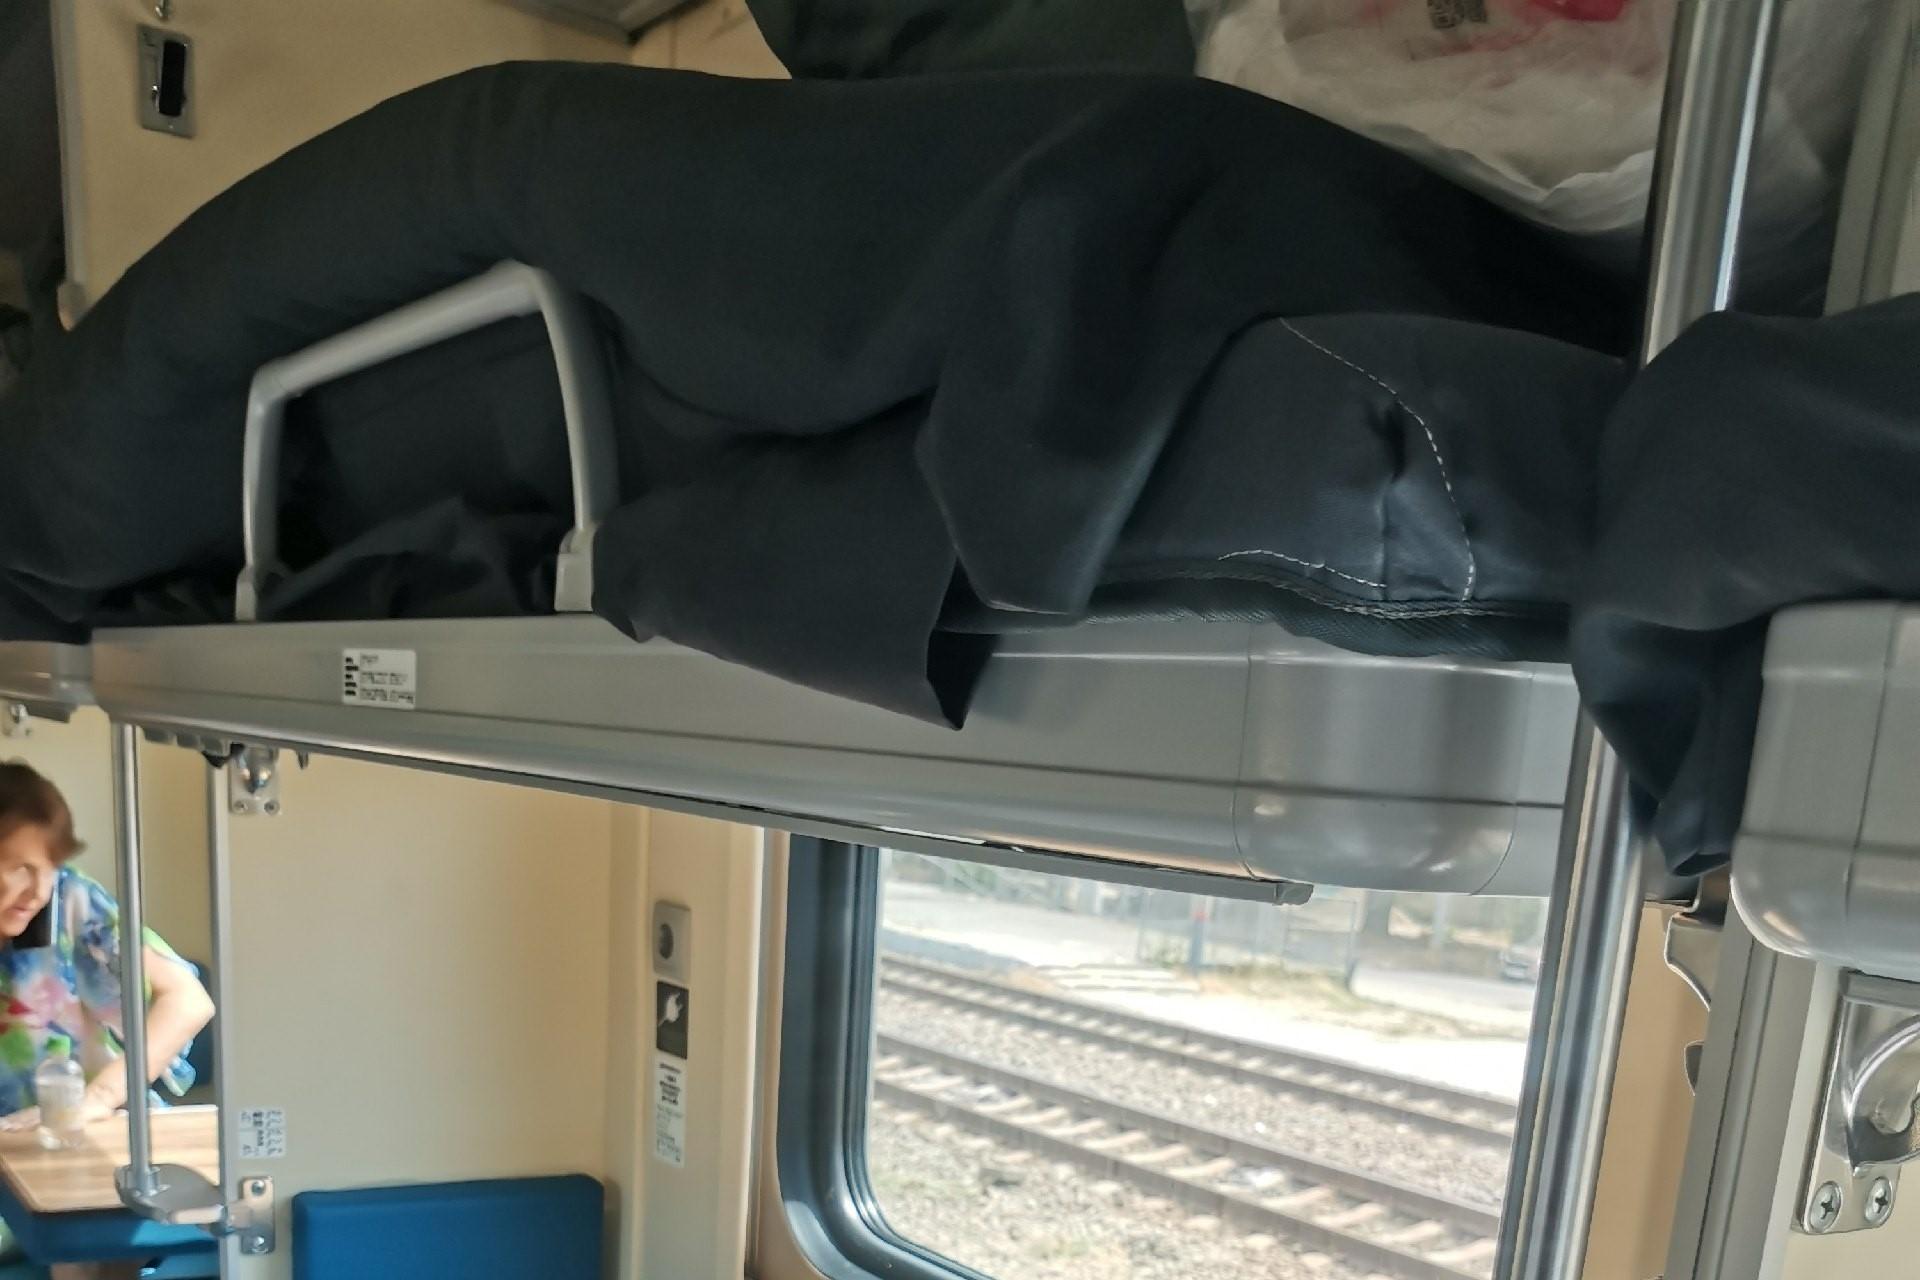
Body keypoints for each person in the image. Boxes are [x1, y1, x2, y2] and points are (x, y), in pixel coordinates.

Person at [0, 762, 213, 1135]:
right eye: (20, 869)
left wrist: (98, 1097)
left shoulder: (69, 899)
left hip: (86, 1135)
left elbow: (189, 1000)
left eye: (49, 868)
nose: (38, 892)